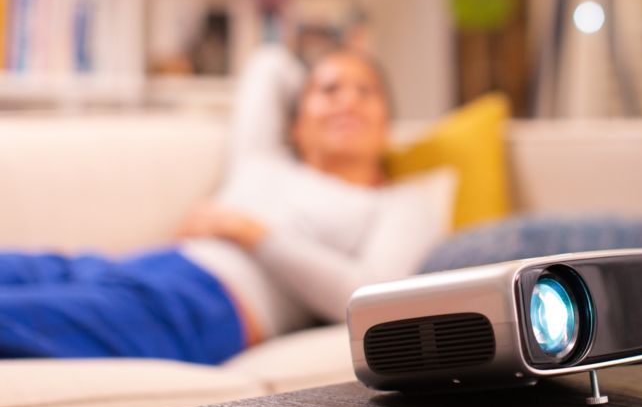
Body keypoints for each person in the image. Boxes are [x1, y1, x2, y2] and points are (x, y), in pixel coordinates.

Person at [0, 46, 455, 364]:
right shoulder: (263, 159)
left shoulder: (398, 203)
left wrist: (252, 233)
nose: (348, 101)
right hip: (132, 266)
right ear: (296, 124)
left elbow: (369, 297)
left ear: (387, 125)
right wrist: (328, 55)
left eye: (366, 92)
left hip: (203, 305)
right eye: (329, 90)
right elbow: (269, 64)